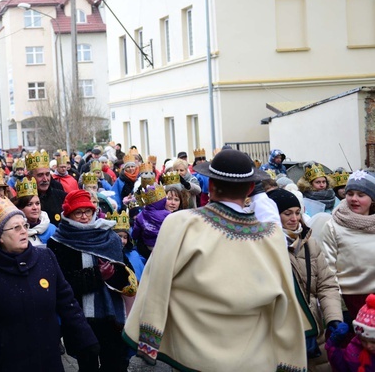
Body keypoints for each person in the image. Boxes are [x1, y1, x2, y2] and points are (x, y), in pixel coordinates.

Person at [124, 149, 307, 371]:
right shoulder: (272, 236)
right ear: (250, 188)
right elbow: (286, 303)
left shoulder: (180, 224)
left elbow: (156, 284)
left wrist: (149, 341)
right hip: (252, 360)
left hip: (187, 356)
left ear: (210, 185)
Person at [0, 196, 99, 371]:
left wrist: (87, 339)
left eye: (24, 225)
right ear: (0, 236)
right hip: (5, 362)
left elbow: (68, 303)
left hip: (47, 359)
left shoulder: (46, 258)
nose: (24, 231)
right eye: (16, 228)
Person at [48, 189, 137, 372]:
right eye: (78, 212)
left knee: (115, 365)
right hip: (80, 318)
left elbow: (128, 272)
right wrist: (96, 275)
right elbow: (62, 284)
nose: (84, 217)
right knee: (87, 366)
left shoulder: (109, 237)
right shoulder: (58, 242)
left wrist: (115, 274)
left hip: (112, 317)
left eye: (88, 211)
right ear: (68, 214)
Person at [267, 188, 343, 371]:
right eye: (287, 213)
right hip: (282, 333)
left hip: (316, 329)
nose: (294, 218)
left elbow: (326, 284)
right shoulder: (264, 246)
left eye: (297, 212)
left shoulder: (309, 243)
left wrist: (333, 318)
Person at [319, 170, 375, 322]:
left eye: (361, 195)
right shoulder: (333, 226)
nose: (354, 199)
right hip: (348, 301)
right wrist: (337, 306)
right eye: (350, 193)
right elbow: (327, 269)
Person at [326, 294, 375, 372]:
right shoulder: (353, 350)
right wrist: (333, 344)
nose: (368, 346)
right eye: (363, 340)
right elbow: (341, 366)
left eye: (373, 342)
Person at [26, 150, 66, 226]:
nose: (45, 179)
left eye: (47, 174)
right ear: (29, 177)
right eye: (40, 175)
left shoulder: (61, 196)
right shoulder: (21, 201)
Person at [13, 177, 56, 246]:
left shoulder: (52, 229)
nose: (35, 208)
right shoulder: (12, 232)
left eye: (37, 203)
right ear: (20, 208)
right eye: (29, 204)